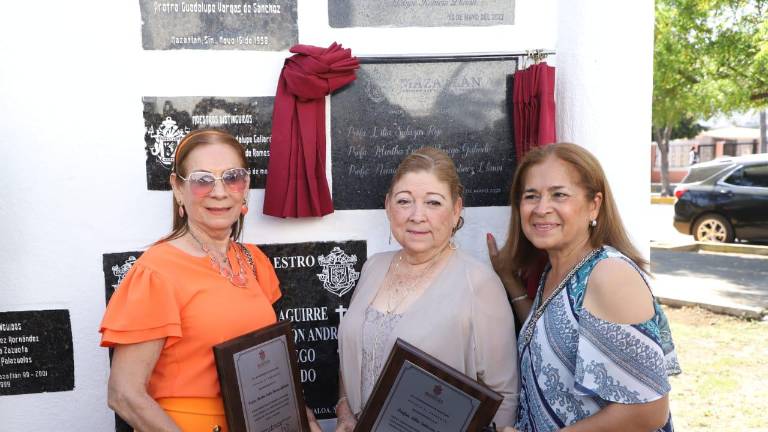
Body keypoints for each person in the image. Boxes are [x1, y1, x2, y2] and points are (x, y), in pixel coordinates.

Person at [100, 129, 320, 431]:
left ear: (245, 188)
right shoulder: (157, 271)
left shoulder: (254, 262)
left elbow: (272, 370)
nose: (220, 192)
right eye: (203, 180)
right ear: (178, 188)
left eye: (232, 177)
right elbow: (124, 394)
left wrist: (302, 418)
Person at [487, 143, 680, 432]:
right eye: (531, 196)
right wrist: (510, 281)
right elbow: (553, 337)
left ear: (594, 204)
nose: (541, 209)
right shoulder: (557, 268)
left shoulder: (608, 275)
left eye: (559, 195)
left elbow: (649, 410)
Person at [335, 147, 519, 430]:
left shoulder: (479, 284)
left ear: (456, 209)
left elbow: (503, 396)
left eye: (433, 203)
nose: (417, 215)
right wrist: (345, 412)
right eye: (404, 201)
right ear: (387, 205)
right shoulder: (373, 268)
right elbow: (352, 350)